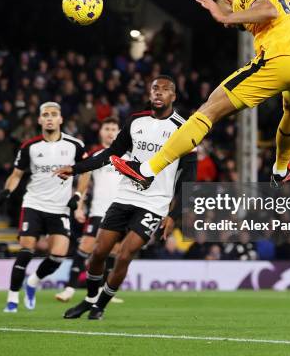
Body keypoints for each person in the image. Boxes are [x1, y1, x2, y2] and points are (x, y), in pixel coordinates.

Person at [110, 0, 290, 189]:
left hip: (281, 60)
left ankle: (146, 169)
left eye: (224, 10)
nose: (227, 26)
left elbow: (268, 11)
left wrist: (225, 14)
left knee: (208, 111)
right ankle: (281, 169)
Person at [56, 76, 197, 320]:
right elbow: (111, 153)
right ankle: (89, 299)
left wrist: (173, 216)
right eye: (155, 89)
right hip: (125, 196)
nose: (159, 93)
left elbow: (189, 181)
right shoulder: (135, 121)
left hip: (154, 203)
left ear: (174, 96)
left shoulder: (184, 129)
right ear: (149, 92)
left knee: (124, 254)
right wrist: (76, 168)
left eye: (165, 90)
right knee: (99, 252)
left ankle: (100, 305)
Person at [2, 102, 88, 313]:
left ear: (61, 119)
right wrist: (7, 191)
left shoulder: (74, 145)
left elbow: (86, 171)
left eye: (54, 115)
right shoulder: (29, 146)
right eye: (45, 115)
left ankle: (33, 282)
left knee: (59, 255)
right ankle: (12, 298)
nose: (49, 118)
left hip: (59, 208)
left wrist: (77, 195)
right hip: (34, 204)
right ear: (39, 120)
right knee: (26, 250)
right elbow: (16, 175)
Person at [54, 117, 124, 303]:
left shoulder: (127, 155)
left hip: (120, 212)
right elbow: (84, 179)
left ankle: (102, 290)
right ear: (101, 132)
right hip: (99, 211)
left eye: (113, 129)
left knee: (114, 251)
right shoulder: (95, 154)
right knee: (86, 246)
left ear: (119, 132)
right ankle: (69, 288)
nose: (110, 132)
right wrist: (79, 205)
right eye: (107, 128)